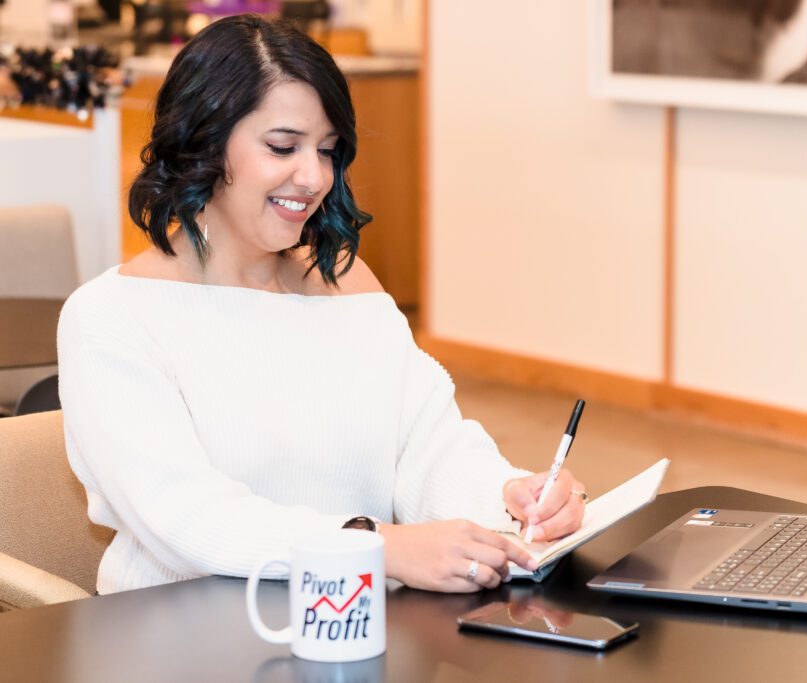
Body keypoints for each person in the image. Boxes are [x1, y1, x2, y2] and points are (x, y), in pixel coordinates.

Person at [57, 15, 586, 595]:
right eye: (283, 146)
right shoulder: (111, 317)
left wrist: (509, 497)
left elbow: (427, 450)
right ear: (202, 142)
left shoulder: (349, 286)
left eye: (328, 151)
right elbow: (187, 518)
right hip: (184, 637)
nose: (313, 177)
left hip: (357, 620)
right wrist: (373, 545)